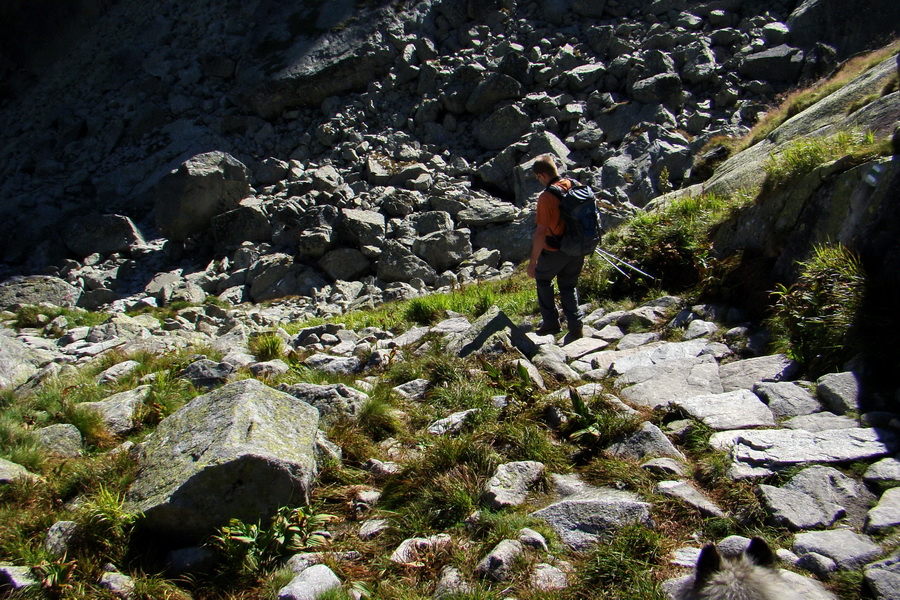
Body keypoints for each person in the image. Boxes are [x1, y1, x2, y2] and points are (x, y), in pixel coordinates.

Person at [526, 155, 584, 340]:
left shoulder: (546, 197)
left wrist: (533, 261)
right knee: (568, 285)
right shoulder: (574, 185)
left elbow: (541, 232)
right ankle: (575, 326)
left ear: (542, 175)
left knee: (543, 279)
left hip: (556, 250)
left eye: (537, 177)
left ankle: (551, 322)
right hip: (577, 246)